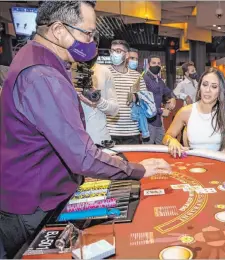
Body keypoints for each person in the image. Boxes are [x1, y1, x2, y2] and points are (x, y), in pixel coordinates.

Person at [0, 1, 171, 258]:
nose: (91, 41)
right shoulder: (42, 75)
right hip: (33, 205)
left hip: (36, 195)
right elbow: (81, 157)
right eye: (87, 33)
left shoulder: (34, 59)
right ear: (58, 30)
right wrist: (138, 169)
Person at [163, 68, 225, 157]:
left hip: (220, 165)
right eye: (205, 85)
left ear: (220, 90)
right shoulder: (186, 112)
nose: (208, 90)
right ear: (199, 87)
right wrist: (172, 140)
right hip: (193, 166)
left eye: (214, 86)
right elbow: (167, 136)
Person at [106, 40, 151, 144]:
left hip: (132, 131)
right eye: (112, 51)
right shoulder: (105, 72)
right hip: (109, 131)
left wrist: (137, 98)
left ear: (126, 55)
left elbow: (146, 101)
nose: (114, 54)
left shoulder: (136, 76)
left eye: (118, 51)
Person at [77, 40, 119, 145]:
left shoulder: (104, 72)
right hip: (73, 141)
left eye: (94, 46)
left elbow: (114, 110)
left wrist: (98, 100)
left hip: (99, 140)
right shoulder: (64, 71)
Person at [143, 55, 176, 144]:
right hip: (148, 123)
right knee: (148, 151)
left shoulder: (160, 80)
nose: (157, 65)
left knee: (161, 148)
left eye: (158, 63)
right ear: (148, 65)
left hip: (159, 122)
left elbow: (168, 92)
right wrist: (161, 111)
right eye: (154, 63)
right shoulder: (144, 80)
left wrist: (172, 98)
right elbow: (144, 104)